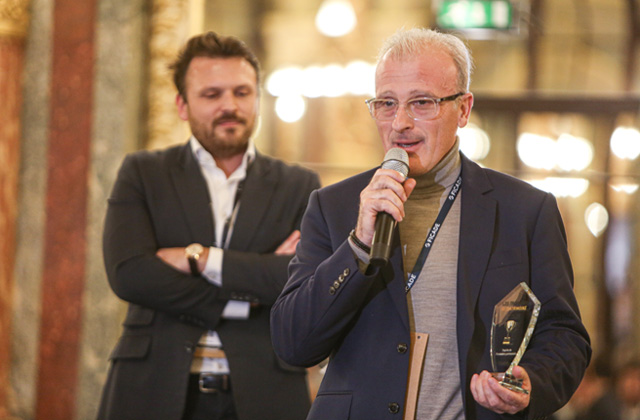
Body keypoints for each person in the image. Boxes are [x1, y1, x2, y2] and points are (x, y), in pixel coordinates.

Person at [270, 27, 591, 420]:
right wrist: (358, 247)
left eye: (421, 102)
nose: (400, 122)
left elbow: (564, 335)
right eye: (386, 103)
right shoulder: (334, 206)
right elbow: (292, 343)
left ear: (464, 109)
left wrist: (531, 382)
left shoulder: (524, 210)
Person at [97, 32, 320, 420]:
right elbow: (129, 274)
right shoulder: (143, 173)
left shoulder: (299, 185)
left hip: (264, 393)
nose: (230, 106)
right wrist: (245, 294)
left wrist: (202, 259)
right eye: (211, 94)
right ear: (182, 105)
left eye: (242, 92)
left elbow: (297, 279)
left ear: (257, 99)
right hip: (152, 389)